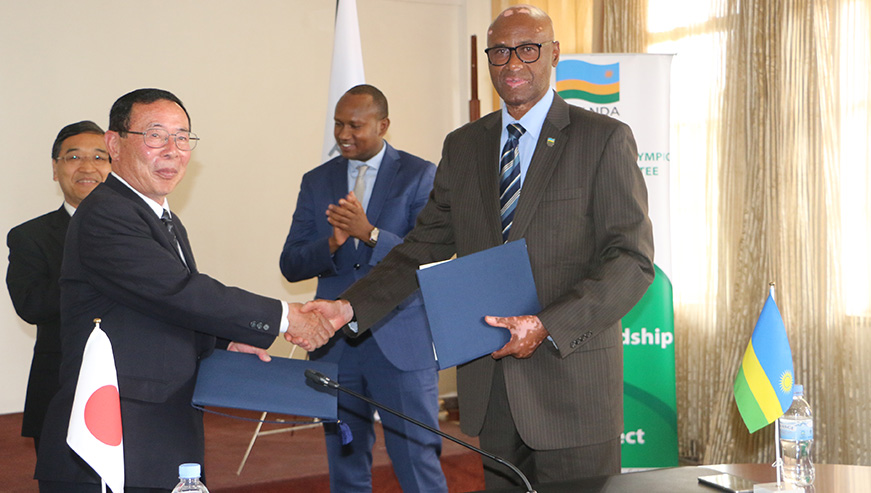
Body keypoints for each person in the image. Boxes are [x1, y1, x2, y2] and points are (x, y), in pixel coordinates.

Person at [305, 5, 655, 488]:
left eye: (527, 49)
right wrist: (348, 307)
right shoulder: (464, 146)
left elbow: (632, 261)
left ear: (553, 54)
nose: (513, 63)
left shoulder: (602, 139)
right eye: (500, 52)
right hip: (491, 387)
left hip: (572, 386)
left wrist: (546, 325)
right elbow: (421, 246)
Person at [34, 88, 336, 492]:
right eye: (156, 136)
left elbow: (159, 310)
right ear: (114, 144)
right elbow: (178, 291)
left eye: (182, 137)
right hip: (112, 443)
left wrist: (223, 342)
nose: (172, 150)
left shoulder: (161, 218)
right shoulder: (107, 213)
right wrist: (285, 317)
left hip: (154, 437)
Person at [280, 84, 447, 492]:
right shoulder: (317, 181)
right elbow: (291, 264)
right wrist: (332, 243)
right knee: (345, 462)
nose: (343, 134)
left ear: (383, 125)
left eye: (354, 125)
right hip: (336, 347)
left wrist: (369, 233)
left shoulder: (420, 175)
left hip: (401, 341)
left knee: (417, 461)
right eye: (338, 124)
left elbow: (430, 257)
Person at [6, 121, 111, 453]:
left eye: (100, 157)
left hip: (135, 388)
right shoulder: (30, 236)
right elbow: (31, 305)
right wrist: (95, 271)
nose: (88, 167)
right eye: (74, 157)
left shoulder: (144, 232)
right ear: (55, 168)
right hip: (61, 387)